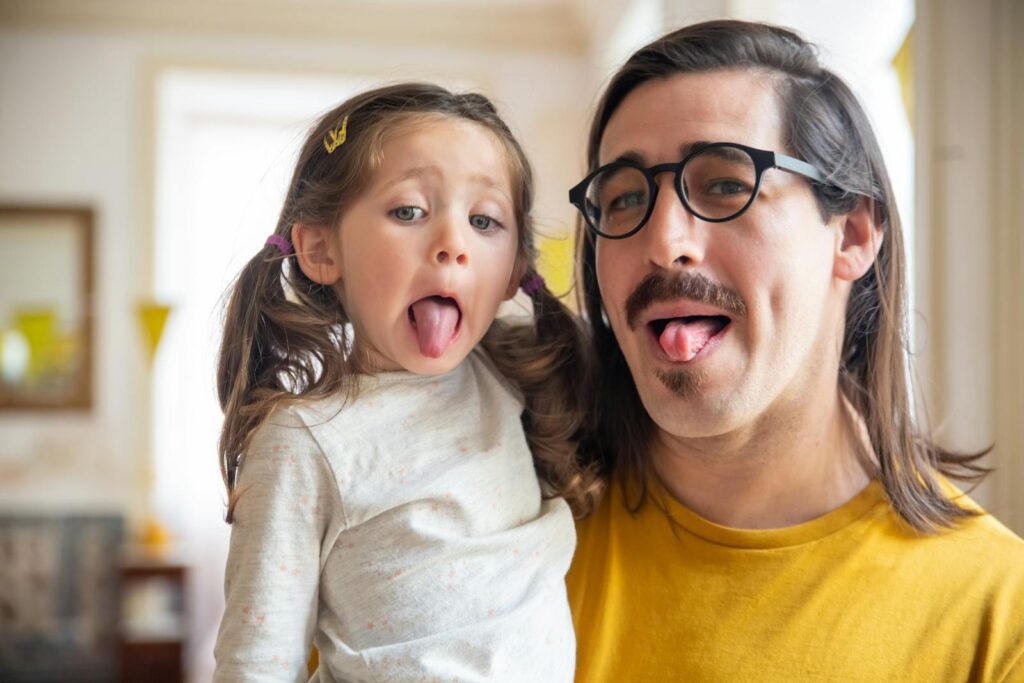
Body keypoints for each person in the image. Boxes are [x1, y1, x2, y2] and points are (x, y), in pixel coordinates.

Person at [566, 20, 1024, 682]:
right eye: (626, 197)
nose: (664, 242)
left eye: (724, 183)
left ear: (854, 233)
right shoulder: (509, 537)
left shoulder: (996, 617)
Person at [213, 82, 597, 682]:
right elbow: (255, 664)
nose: (452, 245)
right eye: (409, 211)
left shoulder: (510, 381)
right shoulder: (303, 441)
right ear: (320, 249)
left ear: (514, 270)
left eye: (484, 221)